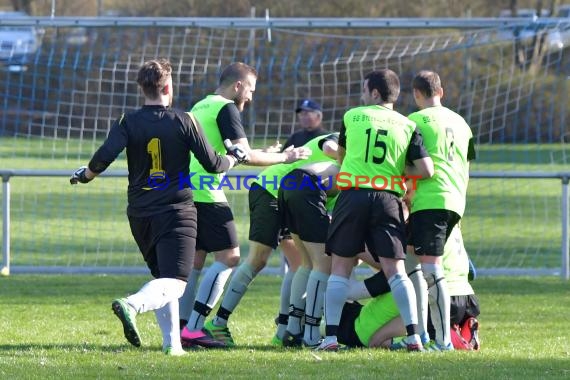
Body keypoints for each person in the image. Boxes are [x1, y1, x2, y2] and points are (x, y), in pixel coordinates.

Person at [69, 59, 246, 356]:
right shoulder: (185, 120)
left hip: (139, 212)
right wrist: (235, 158)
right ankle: (133, 304)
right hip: (175, 210)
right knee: (176, 282)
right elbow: (213, 164)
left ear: (143, 88)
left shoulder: (128, 121)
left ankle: (172, 345)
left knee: (164, 277)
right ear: (168, 86)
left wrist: (85, 175)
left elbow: (103, 156)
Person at [178, 62, 311, 339]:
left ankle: (182, 327)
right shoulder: (225, 108)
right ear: (238, 86)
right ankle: (195, 328)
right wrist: (286, 157)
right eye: (250, 89)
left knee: (196, 261)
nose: (250, 96)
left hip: (185, 188)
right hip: (206, 194)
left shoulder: (199, 107)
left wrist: (264, 152)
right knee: (230, 257)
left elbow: (230, 154)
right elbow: (246, 156)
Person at [181, 134, 337, 348]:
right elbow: (328, 146)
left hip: (293, 197)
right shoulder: (342, 142)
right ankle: (218, 322)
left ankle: (286, 331)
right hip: (270, 191)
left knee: (299, 263)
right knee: (258, 259)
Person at [317, 69, 434, 352]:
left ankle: (331, 337)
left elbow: (343, 159)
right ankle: (414, 336)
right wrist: (397, 168)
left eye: (364, 89)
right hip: (388, 198)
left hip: (353, 195)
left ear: (374, 93)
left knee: (340, 268)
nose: (362, 94)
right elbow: (425, 169)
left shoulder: (352, 116)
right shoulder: (407, 125)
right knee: (396, 271)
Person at [402, 70, 476, 351]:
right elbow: (467, 166)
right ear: (441, 92)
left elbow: (407, 165)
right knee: (410, 262)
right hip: (454, 200)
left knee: (432, 270)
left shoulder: (414, 121)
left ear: (417, 94)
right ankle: (417, 334)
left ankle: (443, 340)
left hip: (430, 202)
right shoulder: (462, 123)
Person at [333, 225, 480, 350]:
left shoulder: (420, 226)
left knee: (377, 340)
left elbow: (394, 270)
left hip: (436, 302)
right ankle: (460, 328)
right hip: (467, 298)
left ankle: (449, 335)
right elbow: (472, 271)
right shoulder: (449, 221)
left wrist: (352, 247)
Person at [278, 136, 340, 348]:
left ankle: (293, 329)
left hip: (289, 182)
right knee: (324, 263)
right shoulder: (360, 168)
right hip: (307, 187)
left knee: (307, 263)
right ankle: (312, 334)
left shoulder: (348, 159)